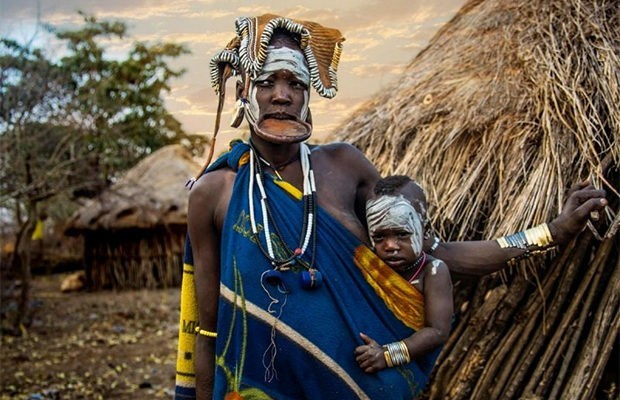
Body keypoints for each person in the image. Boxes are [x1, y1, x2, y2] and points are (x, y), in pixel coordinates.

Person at [174, 14, 607, 400]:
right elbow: (209, 328)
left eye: (296, 84)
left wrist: (552, 231)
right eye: (268, 82)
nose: (282, 96)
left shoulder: (344, 167)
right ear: (244, 91)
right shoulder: (214, 194)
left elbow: (435, 253)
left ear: (310, 96)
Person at [355, 175, 453, 392]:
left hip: (395, 372)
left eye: (401, 234)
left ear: (425, 231)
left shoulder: (433, 272)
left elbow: (437, 331)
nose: (390, 246)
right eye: (379, 237)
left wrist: (387, 355)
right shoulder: (368, 265)